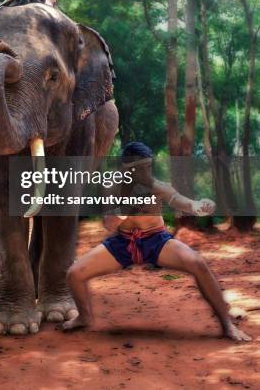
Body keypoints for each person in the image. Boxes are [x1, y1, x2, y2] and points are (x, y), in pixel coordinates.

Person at [62, 141, 251, 342]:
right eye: (139, 169)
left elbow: (180, 201)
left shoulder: (157, 187)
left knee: (197, 263)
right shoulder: (113, 187)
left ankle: (227, 324)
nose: (145, 173)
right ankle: (84, 317)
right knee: (74, 274)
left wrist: (199, 206)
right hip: (122, 243)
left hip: (156, 240)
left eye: (148, 167)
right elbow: (109, 225)